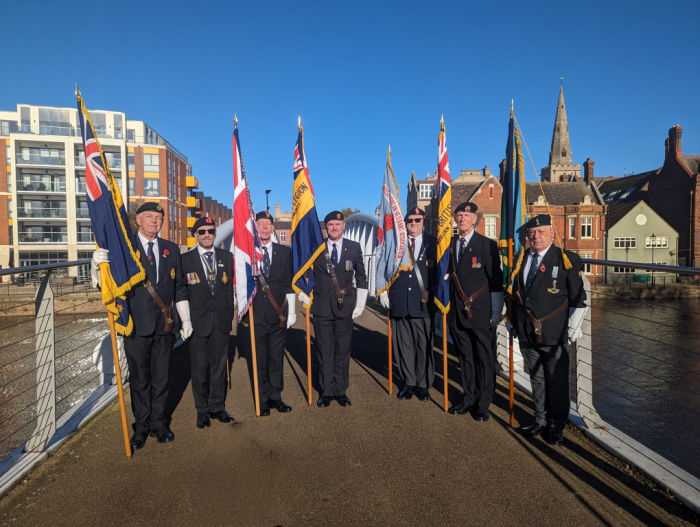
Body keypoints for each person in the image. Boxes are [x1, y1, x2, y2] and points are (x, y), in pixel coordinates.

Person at [91, 202, 191, 450]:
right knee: (139, 379)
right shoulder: (124, 249)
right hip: (136, 326)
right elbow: (107, 285)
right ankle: (141, 426)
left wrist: (186, 319)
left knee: (162, 378)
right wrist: (95, 267)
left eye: (159, 217)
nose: (154, 221)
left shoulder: (171, 249)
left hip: (165, 326)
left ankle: (159, 424)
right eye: (149, 217)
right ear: (138, 219)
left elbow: (179, 287)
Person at [509, 214, 587, 445]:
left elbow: (578, 299)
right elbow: (515, 294)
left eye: (541, 232)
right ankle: (540, 419)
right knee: (537, 379)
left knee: (557, 381)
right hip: (526, 331)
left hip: (555, 333)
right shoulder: (521, 258)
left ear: (552, 233)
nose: (536, 236)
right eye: (532, 233)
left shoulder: (566, 259)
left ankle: (556, 425)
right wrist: (512, 320)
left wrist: (571, 330)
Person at [299, 211, 368, 407]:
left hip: (344, 307)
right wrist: (303, 292)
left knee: (343, 350)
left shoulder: (354, 248)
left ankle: (341, 390)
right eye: (330, 225)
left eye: (338, 224)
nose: (334, 227)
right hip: (321, 308)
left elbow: (361, 276)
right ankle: (326, 391)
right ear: (325, 227)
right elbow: (303, 270)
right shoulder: (316, 249)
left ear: (343, 226)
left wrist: (361, 303)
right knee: (324, 350)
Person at [447, 202, 503, 421]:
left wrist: (496, 311)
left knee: (484, 358)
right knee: (465, 358)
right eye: (459, 215)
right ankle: (468, 397)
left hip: (479, 312)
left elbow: (495, 280)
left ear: (475, 220)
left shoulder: (486, 245)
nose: (462, 219)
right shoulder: (450, 244)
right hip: (457, 312)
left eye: (466, 216)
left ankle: (483, 403)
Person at [181, 216, 236, 429]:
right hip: (197, 323)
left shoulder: (226, 257)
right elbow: (181, 292)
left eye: (211, 231)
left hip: (221, 321)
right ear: (195, 235)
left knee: (219, 367)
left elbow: (231, 287)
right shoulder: (186, 260)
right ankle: (202, 410)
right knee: (199, 368)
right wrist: (184, 321)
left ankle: (217, 407)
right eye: (202, 231)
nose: (207, 235)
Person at [379, 207, 436, 401]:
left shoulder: (434, 243)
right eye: (410, 220)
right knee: (403, 346)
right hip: (400, 301)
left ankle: (423, 384)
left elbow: (439, 275)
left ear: (423, 221)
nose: (413, 223)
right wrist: (383, 291)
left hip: (423, 304)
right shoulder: (396, 243)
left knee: (424, 345)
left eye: (417, 220)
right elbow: (384, 267)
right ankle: (409, 382)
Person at [251, 210, 296, 416]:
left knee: (276, 357)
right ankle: (262, 399)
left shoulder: (284, 252)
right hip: (257, 314)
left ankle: (276, 397)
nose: (265, 227)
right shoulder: (248, 252)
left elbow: (289, 284)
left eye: (268, 224)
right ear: (255, 227)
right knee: (260, 358)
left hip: (279, 313)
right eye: (260, 224)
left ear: (273, 227)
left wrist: (292, 311)